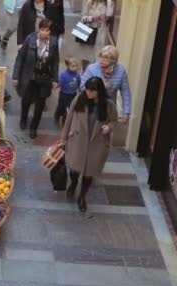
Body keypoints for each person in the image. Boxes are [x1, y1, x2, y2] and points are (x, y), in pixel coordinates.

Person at [61, 77, 117, 217]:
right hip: (78, 140)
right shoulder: (80, 99)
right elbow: (69, 118)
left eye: (92, 90)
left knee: (89, 173)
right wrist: (64, 137)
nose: (88, 92)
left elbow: (114, 121)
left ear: (99, 91)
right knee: (74, 170)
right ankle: (73, 184)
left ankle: (82, 197)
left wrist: (108, 128)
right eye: (87, 89)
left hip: (96, 143)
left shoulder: (108, 104)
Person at [12, 19, 60, 139]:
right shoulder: (30, 39)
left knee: (40, 104)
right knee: (26, 100)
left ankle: (34, 127)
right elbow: (20, 58)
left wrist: (55, 79)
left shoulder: (53, 43)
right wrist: (16, 76)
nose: (44, 32)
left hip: (44, 77)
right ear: (39, 29)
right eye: (42, 29)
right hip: (30, 75)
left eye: (47, 30)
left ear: (50, 31)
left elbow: (55, 62)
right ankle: (23, 119)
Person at [80, 45, 131, 121]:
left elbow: (125, 92)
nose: (101, 59)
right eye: (101, 56)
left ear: (114, 60)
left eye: (106, 57)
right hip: (91, 106)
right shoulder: (92, 68)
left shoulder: (120, 71)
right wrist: (101, 86)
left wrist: (126, 112)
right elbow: (82, 87)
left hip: (108, 108)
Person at [77, 0, 114, 67]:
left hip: (100, 32)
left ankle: (96, 73)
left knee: (99, 55)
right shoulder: (89, 2)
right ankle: (85, 72)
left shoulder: (108, 3)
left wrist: (109, 2)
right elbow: (82, 19)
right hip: (88, 31)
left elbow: (109, 15)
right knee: (86, 56)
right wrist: (92, 18)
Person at [55, 57, 81, 126]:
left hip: (73, 95)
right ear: (67, 66)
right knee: (61, 107)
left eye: (76, 66)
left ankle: (65, 123)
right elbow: (60, 83)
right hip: (64, 94)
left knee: (68, 109)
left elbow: (79, 82)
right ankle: (57, 115)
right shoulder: (63, 75)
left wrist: (80, 89)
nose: (75, 68)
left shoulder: (77, 75)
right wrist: (57, 85)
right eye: (72, 66)